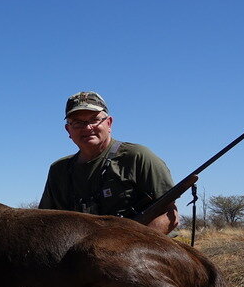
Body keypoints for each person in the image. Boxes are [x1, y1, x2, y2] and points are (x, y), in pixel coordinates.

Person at [39, 91, 179, 234]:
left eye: (94, 119)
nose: (87, 128)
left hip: (143, 250)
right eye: (77, 123)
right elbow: (44, 223)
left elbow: (169, 215)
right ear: (68, 129)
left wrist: (129, 246)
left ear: (109, 123)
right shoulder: (58, 170)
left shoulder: (138, 157)